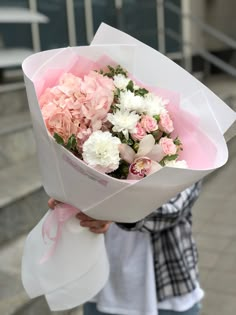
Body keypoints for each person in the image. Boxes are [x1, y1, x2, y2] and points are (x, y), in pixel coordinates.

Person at [48, 181, 203, 315]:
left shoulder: (192, 152)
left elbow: (173, 209)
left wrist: (112, 213)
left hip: (165, 284)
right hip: (102, 282)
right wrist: (68, 198)